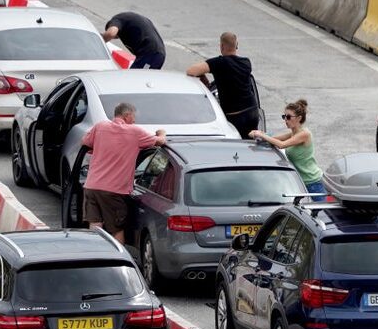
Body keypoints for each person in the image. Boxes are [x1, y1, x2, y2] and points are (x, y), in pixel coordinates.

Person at [81, 102, 167, 243]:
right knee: (116, 229)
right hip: (114, 191)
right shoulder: (134, 132)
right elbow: (161, 142)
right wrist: (161, 133)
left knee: (95, 225)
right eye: (133, 117)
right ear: (127, 116)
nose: (134, 121)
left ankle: (96, 256)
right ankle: (116, 260)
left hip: (91, 186)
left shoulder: (100, 127)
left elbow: (85, 142)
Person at [186, 32, 259, 137]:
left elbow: (191, 71)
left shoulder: (219, 63)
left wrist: (203, 77)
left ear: (221, 46)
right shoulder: (246, 62)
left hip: (234, 115)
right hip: (252, 110)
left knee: (234, 147)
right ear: (237, 45)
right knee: (251, 143)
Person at [249, 100, 323, 200]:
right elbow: (274, 139)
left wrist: (261, 135)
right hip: (300, 182)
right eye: (284, 117)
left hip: (313, 182)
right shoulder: (293, 134)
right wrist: (257, 134)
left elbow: (281, 145)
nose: (285, 120)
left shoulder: (304, 134)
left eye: (288, 117)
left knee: (318, 214)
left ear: (299, 118)